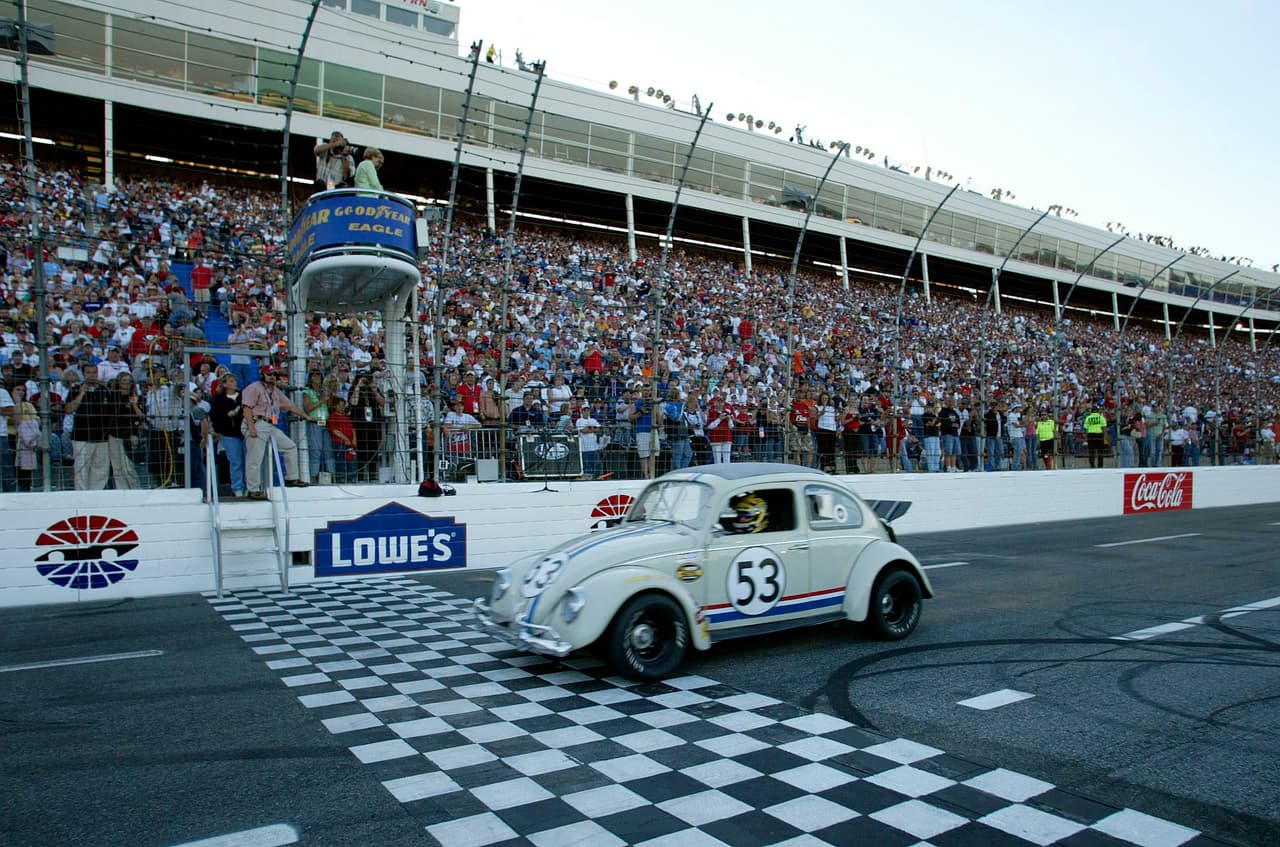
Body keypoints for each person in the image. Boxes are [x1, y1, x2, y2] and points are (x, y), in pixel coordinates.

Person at [241, 365, 313, 499]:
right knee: (255, 458)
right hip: (257, 422)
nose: (272, 377)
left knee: (290, 446)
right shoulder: (254, 387)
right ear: (262, 375)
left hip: (270, 425)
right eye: (269, 374)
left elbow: (290, 406)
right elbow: (246, 408)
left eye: (274, 374)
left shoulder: (275, 391)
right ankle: (253, 489)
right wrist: (251, 427)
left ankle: (292, 478)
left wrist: (305, 415)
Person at [65, 363, 113, 489]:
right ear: (84, 374)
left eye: (94, 372)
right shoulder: (75, 389)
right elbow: (69, 409)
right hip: (81, 436)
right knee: (81, 467)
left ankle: (96, 493)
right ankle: (81, 494)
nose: (92, 375)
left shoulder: (105, 391)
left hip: (101, 436)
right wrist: (81, 394)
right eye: (89, 373)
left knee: (101, 468)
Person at [209, 372, 247, 497]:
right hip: (229, 434)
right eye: (231, 381)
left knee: (248, 460)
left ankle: (250, 486)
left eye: (235, 380)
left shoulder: (243, 396)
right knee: (236, 461)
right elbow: (214, 417)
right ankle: (238, 488)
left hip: (245, 432)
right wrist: (227, 416)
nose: (234, 383)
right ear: (224, 384)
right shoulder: (219, 399)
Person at [106, 373, 144, 490]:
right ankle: (121, 490)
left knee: (128, 466)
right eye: (124, 380)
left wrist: (134, 404)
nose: (126, 383)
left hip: (129, 436)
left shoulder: (137, 397)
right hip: (114, 435)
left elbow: (141, 417)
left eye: (129, 381)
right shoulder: (112, 397)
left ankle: (135, 488)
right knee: (117, 466)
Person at [302, 370, 334, 484]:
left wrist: (328, 395)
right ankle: (313, 478)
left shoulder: (323, 391)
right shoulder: (307, 391)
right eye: (314, 375)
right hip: (315, 423)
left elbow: (330, 406)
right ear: (310, 378)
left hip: (325, 423)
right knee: (316, 451)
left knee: (328, 451)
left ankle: (332, 476)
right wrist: (321, 400)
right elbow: (307, 408)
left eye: (319, 374)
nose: (317, 377)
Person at [11, 385, 39, 491]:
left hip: (26, 439)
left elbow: (36, 420)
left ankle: (26, 488)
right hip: (12, 436)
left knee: (26, 468)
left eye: (23, 390)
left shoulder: (28, 405)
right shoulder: (8, 404)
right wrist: (17, 404)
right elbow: (15, 421)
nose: (21, 392)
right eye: (18, 389)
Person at [327, 397, 357, 484]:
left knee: (352, 461)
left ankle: (352, 478)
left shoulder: (347, 416)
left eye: (343, 406)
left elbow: (352, 428)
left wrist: (354, 439)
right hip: (339, 443)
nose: (341, 408)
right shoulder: (332, 416)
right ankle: (341, 479)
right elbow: (334, 430)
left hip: (350, 444)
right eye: (339, 406)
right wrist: (345, 439)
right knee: (340, 461)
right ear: (335, 406)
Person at [662, 388, 692, 471]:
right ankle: (676, 473)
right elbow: (676, 418)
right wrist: (682, 405)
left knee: (688, 454)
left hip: (684, 433)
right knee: (677, 455)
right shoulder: (670, 406)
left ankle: (682, 471)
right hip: (676, 434)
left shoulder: (679, 404)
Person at [576, 402, 603, 479]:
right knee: (587, 466)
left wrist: (589, 428)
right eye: (585, 410)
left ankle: (598, 479)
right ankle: (588, 479)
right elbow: (583, 431)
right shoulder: (579, 421)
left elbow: (598, 429)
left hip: (594, 447)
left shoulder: (593, 420)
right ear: (582, 411)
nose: (587, 412)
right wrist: (593, 429)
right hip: (585, 448)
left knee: (597, 465)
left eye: (588, 410)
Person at [0, 381, 14, 492]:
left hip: (0, 435)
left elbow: (10, 411)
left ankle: (11, 494)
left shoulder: (2, 392)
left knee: (6, 468)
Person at [1083, 405, 1107, 469]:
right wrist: (1104, 436)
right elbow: (1104, 427)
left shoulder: (1088, 418)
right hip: (1099, 434)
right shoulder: (1101, 417)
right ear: (1097, 411)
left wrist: (1085, 437)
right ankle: (1100, 465)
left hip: (1091, 434)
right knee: (1100, 451)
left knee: (1091, 451)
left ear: (1092, 411)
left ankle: (1092, 464)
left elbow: (1085, 428)